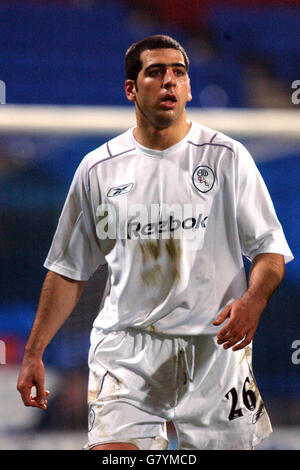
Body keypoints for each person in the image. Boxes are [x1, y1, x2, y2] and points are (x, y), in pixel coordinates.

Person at [17, 35, 293, 450]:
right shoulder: (98, 169)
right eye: (156, 72)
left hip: (214, 351)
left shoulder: (227, 157)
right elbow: (67, 271)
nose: (169, 81)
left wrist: (254, 301)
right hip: (126, 350)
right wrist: (33, 352)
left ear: (189, 88)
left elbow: (270, 251)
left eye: (179, 73)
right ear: (131, 88)